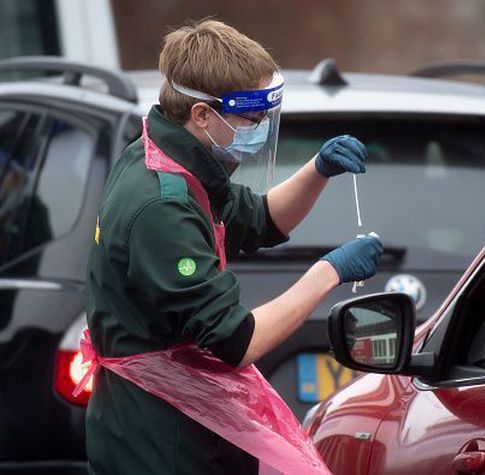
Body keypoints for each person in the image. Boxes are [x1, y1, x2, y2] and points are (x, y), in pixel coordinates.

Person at [83, 19, 383, 475]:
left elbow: (256, 218)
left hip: (181, 419)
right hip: (162, 438)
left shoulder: (174, 156)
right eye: (251, 119)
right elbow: (237, 340)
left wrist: (318, 170)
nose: (259, 129)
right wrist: (330, 272)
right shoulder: (161, 207)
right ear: (202, 114)